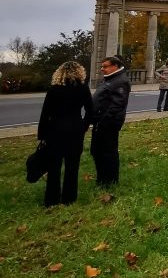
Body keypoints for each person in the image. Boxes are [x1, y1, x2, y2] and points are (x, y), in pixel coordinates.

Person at [37, 61, 93, 208]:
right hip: (75, 128)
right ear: (79, 72)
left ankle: (51, 199)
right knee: (72, 166)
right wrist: (84, 126)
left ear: (60, 72)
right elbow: (90, 111)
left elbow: (45, 114)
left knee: (54, 166)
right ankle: (69, 198)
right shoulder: (83, 89)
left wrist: (42, 135)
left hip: (55, 129)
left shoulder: (54, 89)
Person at [90, 56, 131, 189]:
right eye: (102, 66)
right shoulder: (110, 79)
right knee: (97, 151)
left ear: (115, 66)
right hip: (100, 121)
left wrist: (104, 120)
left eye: (105, 66)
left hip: (109, 123)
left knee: (108, 152)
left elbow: (117, 105)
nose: (102, 69)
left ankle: (110, 180)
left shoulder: (120, 81)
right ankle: (102, 178)